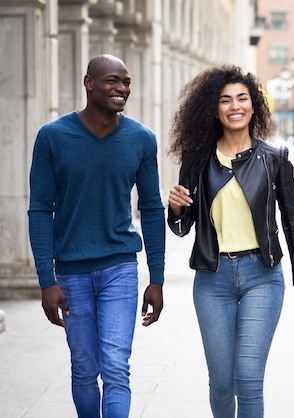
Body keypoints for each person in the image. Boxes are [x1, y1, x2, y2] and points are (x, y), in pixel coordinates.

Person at [166, 64, 294, 418]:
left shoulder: (274, 158)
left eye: (242, 98)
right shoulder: (197, 159)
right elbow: (183, 229)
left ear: (254, 105)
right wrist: (175, 210)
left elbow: (292, 221)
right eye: (225, 100)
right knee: (221, 383)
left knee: (247, 378)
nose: (235, 106)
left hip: (262, 276)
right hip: (212, 280)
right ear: (213, 108)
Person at [28, 54, 165, 417]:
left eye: (126, 82)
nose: (122, 89)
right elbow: (40, 209)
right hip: (71, 273)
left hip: (120, 269)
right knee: (85, 370)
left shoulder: (141, 139)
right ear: (89, 83)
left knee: (117, 368)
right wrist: (46, 280)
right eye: (112, 81)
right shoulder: (53, 137)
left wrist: (157, 278)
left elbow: (151, 209)